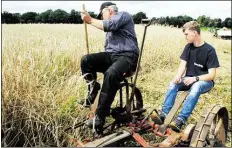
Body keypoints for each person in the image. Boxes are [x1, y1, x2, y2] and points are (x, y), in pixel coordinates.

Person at [80, 2, 139, 128]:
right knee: (86, 60)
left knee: (111, 73)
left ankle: (100, 116)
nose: (101, 18)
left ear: (109, 10)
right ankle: (93, 88)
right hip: (112, 56)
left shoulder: (123, 15)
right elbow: (106, 27)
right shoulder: (109, 26)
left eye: (102, 14)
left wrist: (90, 20)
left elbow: (109, 25)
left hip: (127, 56)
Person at [155, 21, 220, 132]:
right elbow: (182, 65)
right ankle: (164, 115)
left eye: (186, 34)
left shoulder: (210, 50)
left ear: (194, 32)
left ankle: (180, 120)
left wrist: (195, 78)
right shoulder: (188, 47)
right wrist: (178, 76)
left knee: (196, 87)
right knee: (172, 83)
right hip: (188, 79)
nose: (185, 37)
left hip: (204, 81)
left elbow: (212, 75)